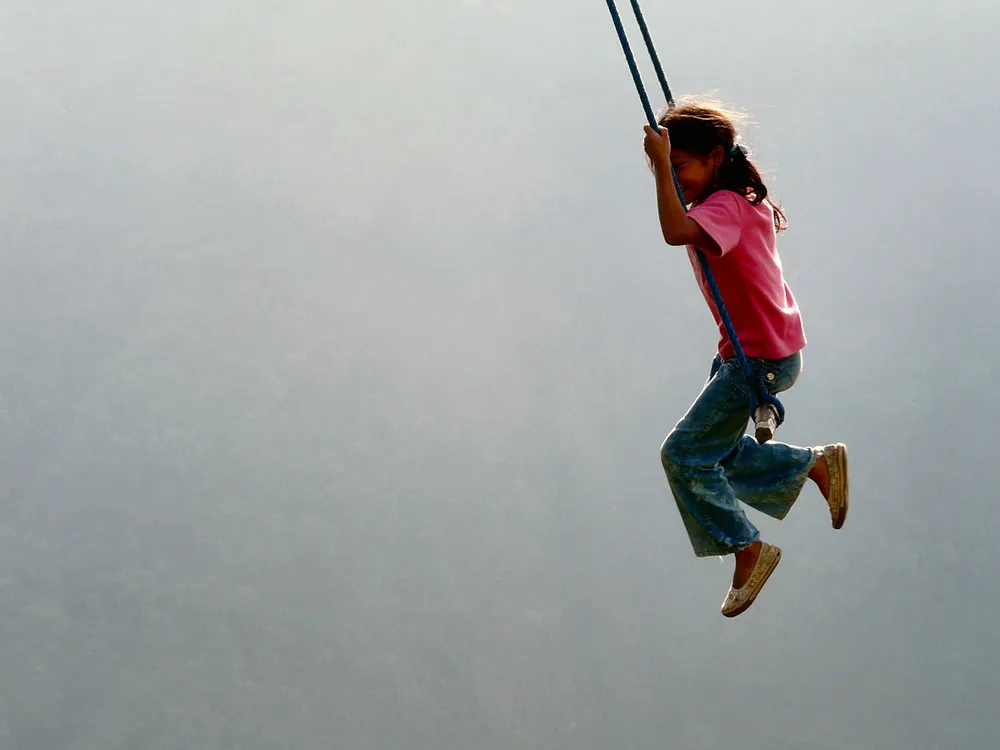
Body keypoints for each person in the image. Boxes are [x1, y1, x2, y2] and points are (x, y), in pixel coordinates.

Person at [641, 101, 849, 618]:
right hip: (756, 353)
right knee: (716, 454)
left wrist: (659, 172)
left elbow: (674, 230)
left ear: (715, 158)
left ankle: (746, 548)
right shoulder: (731, 199)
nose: (673, 180)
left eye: (679, 167)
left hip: (757, 360)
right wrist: (668, 165)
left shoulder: (727, 206)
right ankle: (812, 466)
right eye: (663, 172)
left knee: (683, 456)